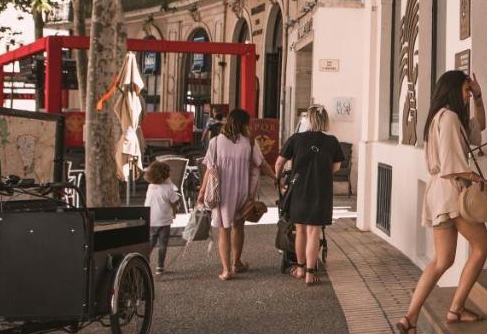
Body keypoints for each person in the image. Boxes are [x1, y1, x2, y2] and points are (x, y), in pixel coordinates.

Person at [394, 70, 487, 334]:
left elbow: (479, 128)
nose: (467, 95)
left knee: (442, 260)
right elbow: (452, 166)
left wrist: (479, 97)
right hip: (452, 193)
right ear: (452, 89)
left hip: (439, 194)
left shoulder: (443, 118)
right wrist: (481, 180)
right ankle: (456, 309)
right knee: (482, 248)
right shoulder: (448, 118)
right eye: (465, 91)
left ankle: (409, 318)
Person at [273, 104, 343, 286]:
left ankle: (300, 268)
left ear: (308, 120)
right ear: (324, 120)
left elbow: (279, 163)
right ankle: (311, 274)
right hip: (321, 191)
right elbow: (336, 167)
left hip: (299, 191)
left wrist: (278, 179)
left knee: (301, 231)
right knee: (314, 231)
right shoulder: (332, 141)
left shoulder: (296, 139)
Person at [197, 107, 264, 281]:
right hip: (242, 191)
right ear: (244, 124)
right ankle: (237, 262)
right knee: (238, 226)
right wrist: (276, 177)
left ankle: (226, 270)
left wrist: (203, 191)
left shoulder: (216, 142)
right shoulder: (249, 142)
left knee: (223, 229)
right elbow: (261, 164)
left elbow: (210, 170)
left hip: (221, 193)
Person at [143, 160, 182, 275]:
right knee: (163, 244)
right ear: (166, 175)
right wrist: (174, 212)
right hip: (164, 221)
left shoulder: (150, 187)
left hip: (151, 219)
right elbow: (175, 202)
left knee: (151, 241)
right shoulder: (168, 189)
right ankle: (160, 266)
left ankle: (145, 259)